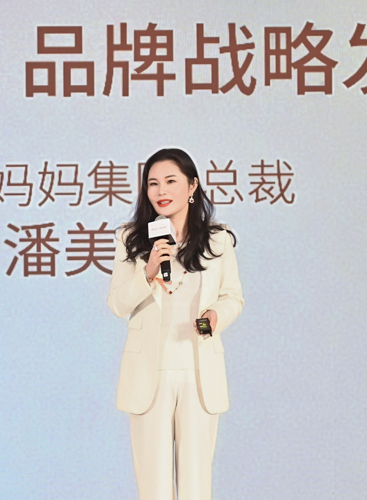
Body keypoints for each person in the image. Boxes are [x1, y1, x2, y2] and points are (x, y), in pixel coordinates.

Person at [107, 148, 244, 500]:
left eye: (171, 181)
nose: (161, 190)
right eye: (153, 183)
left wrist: (215, 317)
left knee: (196, 484)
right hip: (148, 373)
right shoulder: (131, 238)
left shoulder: (218, 239)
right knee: (153, 486)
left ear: (192, 186)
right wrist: (148, 271)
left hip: (199, 372)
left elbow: (232, 297)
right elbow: (118, 304)